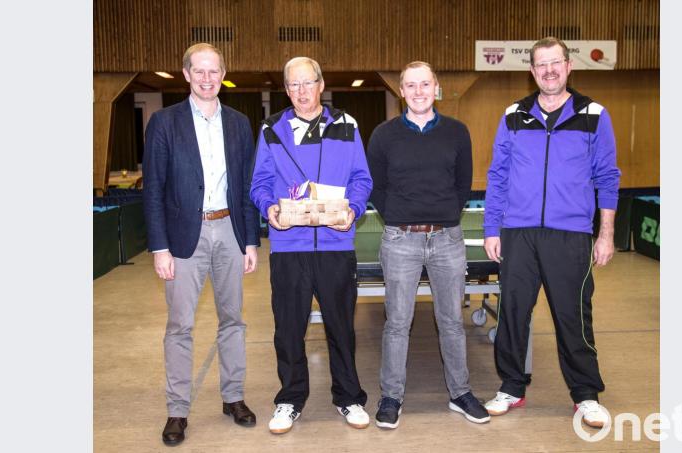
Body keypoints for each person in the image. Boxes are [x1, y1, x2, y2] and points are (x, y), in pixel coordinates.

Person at [482, 37, 621, 429]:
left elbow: (607, 177)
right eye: (540, 65)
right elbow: (498, 175)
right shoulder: (513, 115)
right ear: (532, 71)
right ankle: (511, 386)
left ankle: (586, 394)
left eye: (554, 63)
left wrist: (605, 233)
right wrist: (493, 228)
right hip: (519, 233)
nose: (548, 71)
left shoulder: (594, 114)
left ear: (568, 66)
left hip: (571, 234)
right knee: (512, 314)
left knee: (573, 316)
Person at [142, 43, 260, 446]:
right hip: (182, 237)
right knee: (180, 326)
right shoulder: (164, 122)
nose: (208, 79)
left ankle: (234, 397)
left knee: (234, 320)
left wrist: (250, 241)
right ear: (186, 75)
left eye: (215, 72)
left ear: (222, 75)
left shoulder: (240, 124)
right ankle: (178, 409)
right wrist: (160, 247)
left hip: (229, 230)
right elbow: (154, 190)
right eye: (200, 72)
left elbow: (245, 187)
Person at [249, 56, 373, 434]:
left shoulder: (347, 126)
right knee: (288, 329)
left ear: (321, 84)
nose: (302, 92)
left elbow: (361, 178)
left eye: (308, 83)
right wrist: (268, 206)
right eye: (294, 85)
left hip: (336, 244)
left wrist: (352, 208)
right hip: (290, 247)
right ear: (286, 89)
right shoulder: (272, 129)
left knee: (341, 327)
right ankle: (289, 398)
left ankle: (348, 396)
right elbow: (260, 183)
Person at [366, 61, 489, 429]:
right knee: (397, 323)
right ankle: (391, 396)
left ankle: (460, 392)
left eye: (425, 84)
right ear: (400, 91)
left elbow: (463, 183)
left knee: (451, 321)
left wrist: (446, 215)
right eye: (410, 85)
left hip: (448, 239)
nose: (418, 91)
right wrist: (399, 217)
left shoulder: (457, 132)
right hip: (400, 239)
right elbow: (376, 186)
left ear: (435, 87)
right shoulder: (384, 135)